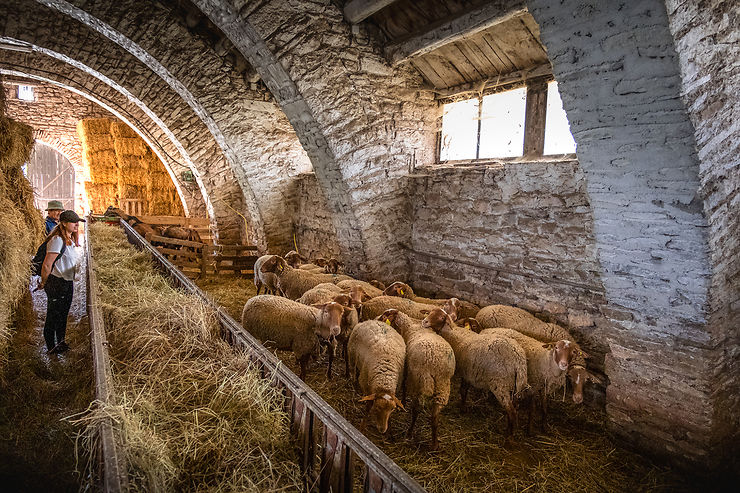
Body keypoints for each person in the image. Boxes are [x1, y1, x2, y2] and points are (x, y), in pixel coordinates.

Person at [38, 210, 85, 354]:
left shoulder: (69, 239)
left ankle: (61, 342)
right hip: (56, 282)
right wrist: (44, 282)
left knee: (63, 314)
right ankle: (51, 347)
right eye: (73, 222)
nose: (77, 224)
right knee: (53, 315)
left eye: (77, 221)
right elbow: (47, 264)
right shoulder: (57, 240)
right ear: (64, 223)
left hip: (66, 282)